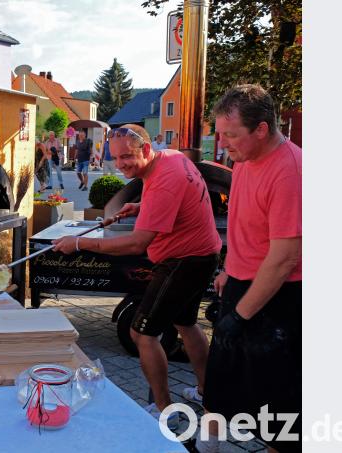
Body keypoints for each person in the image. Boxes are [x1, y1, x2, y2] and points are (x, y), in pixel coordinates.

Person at [52, 124, 221, 429]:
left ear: (145, 148)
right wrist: (142, 206)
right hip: (203, 253)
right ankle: (207, 392)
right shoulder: (171, 157)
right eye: (116, 158)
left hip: (182, 260)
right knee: (186, 323)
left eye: (127, 157)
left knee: (142, 334)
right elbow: (175, 201)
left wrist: (79, 243)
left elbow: (136, 243)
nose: (121, 165)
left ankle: (163, 408)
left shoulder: (162, 180)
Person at [188, 85, 302, 453]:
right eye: (221, 134)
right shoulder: (245, 159)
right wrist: (228, 269)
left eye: (231, 135)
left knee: (276, 406)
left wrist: (241, 314)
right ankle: (207, 447)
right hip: (242, 283)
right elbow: (245, 225)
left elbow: (284, 258)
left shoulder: (290, 172)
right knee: (220, 380)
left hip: (280, 298)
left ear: (262, 129)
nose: (224, 144)